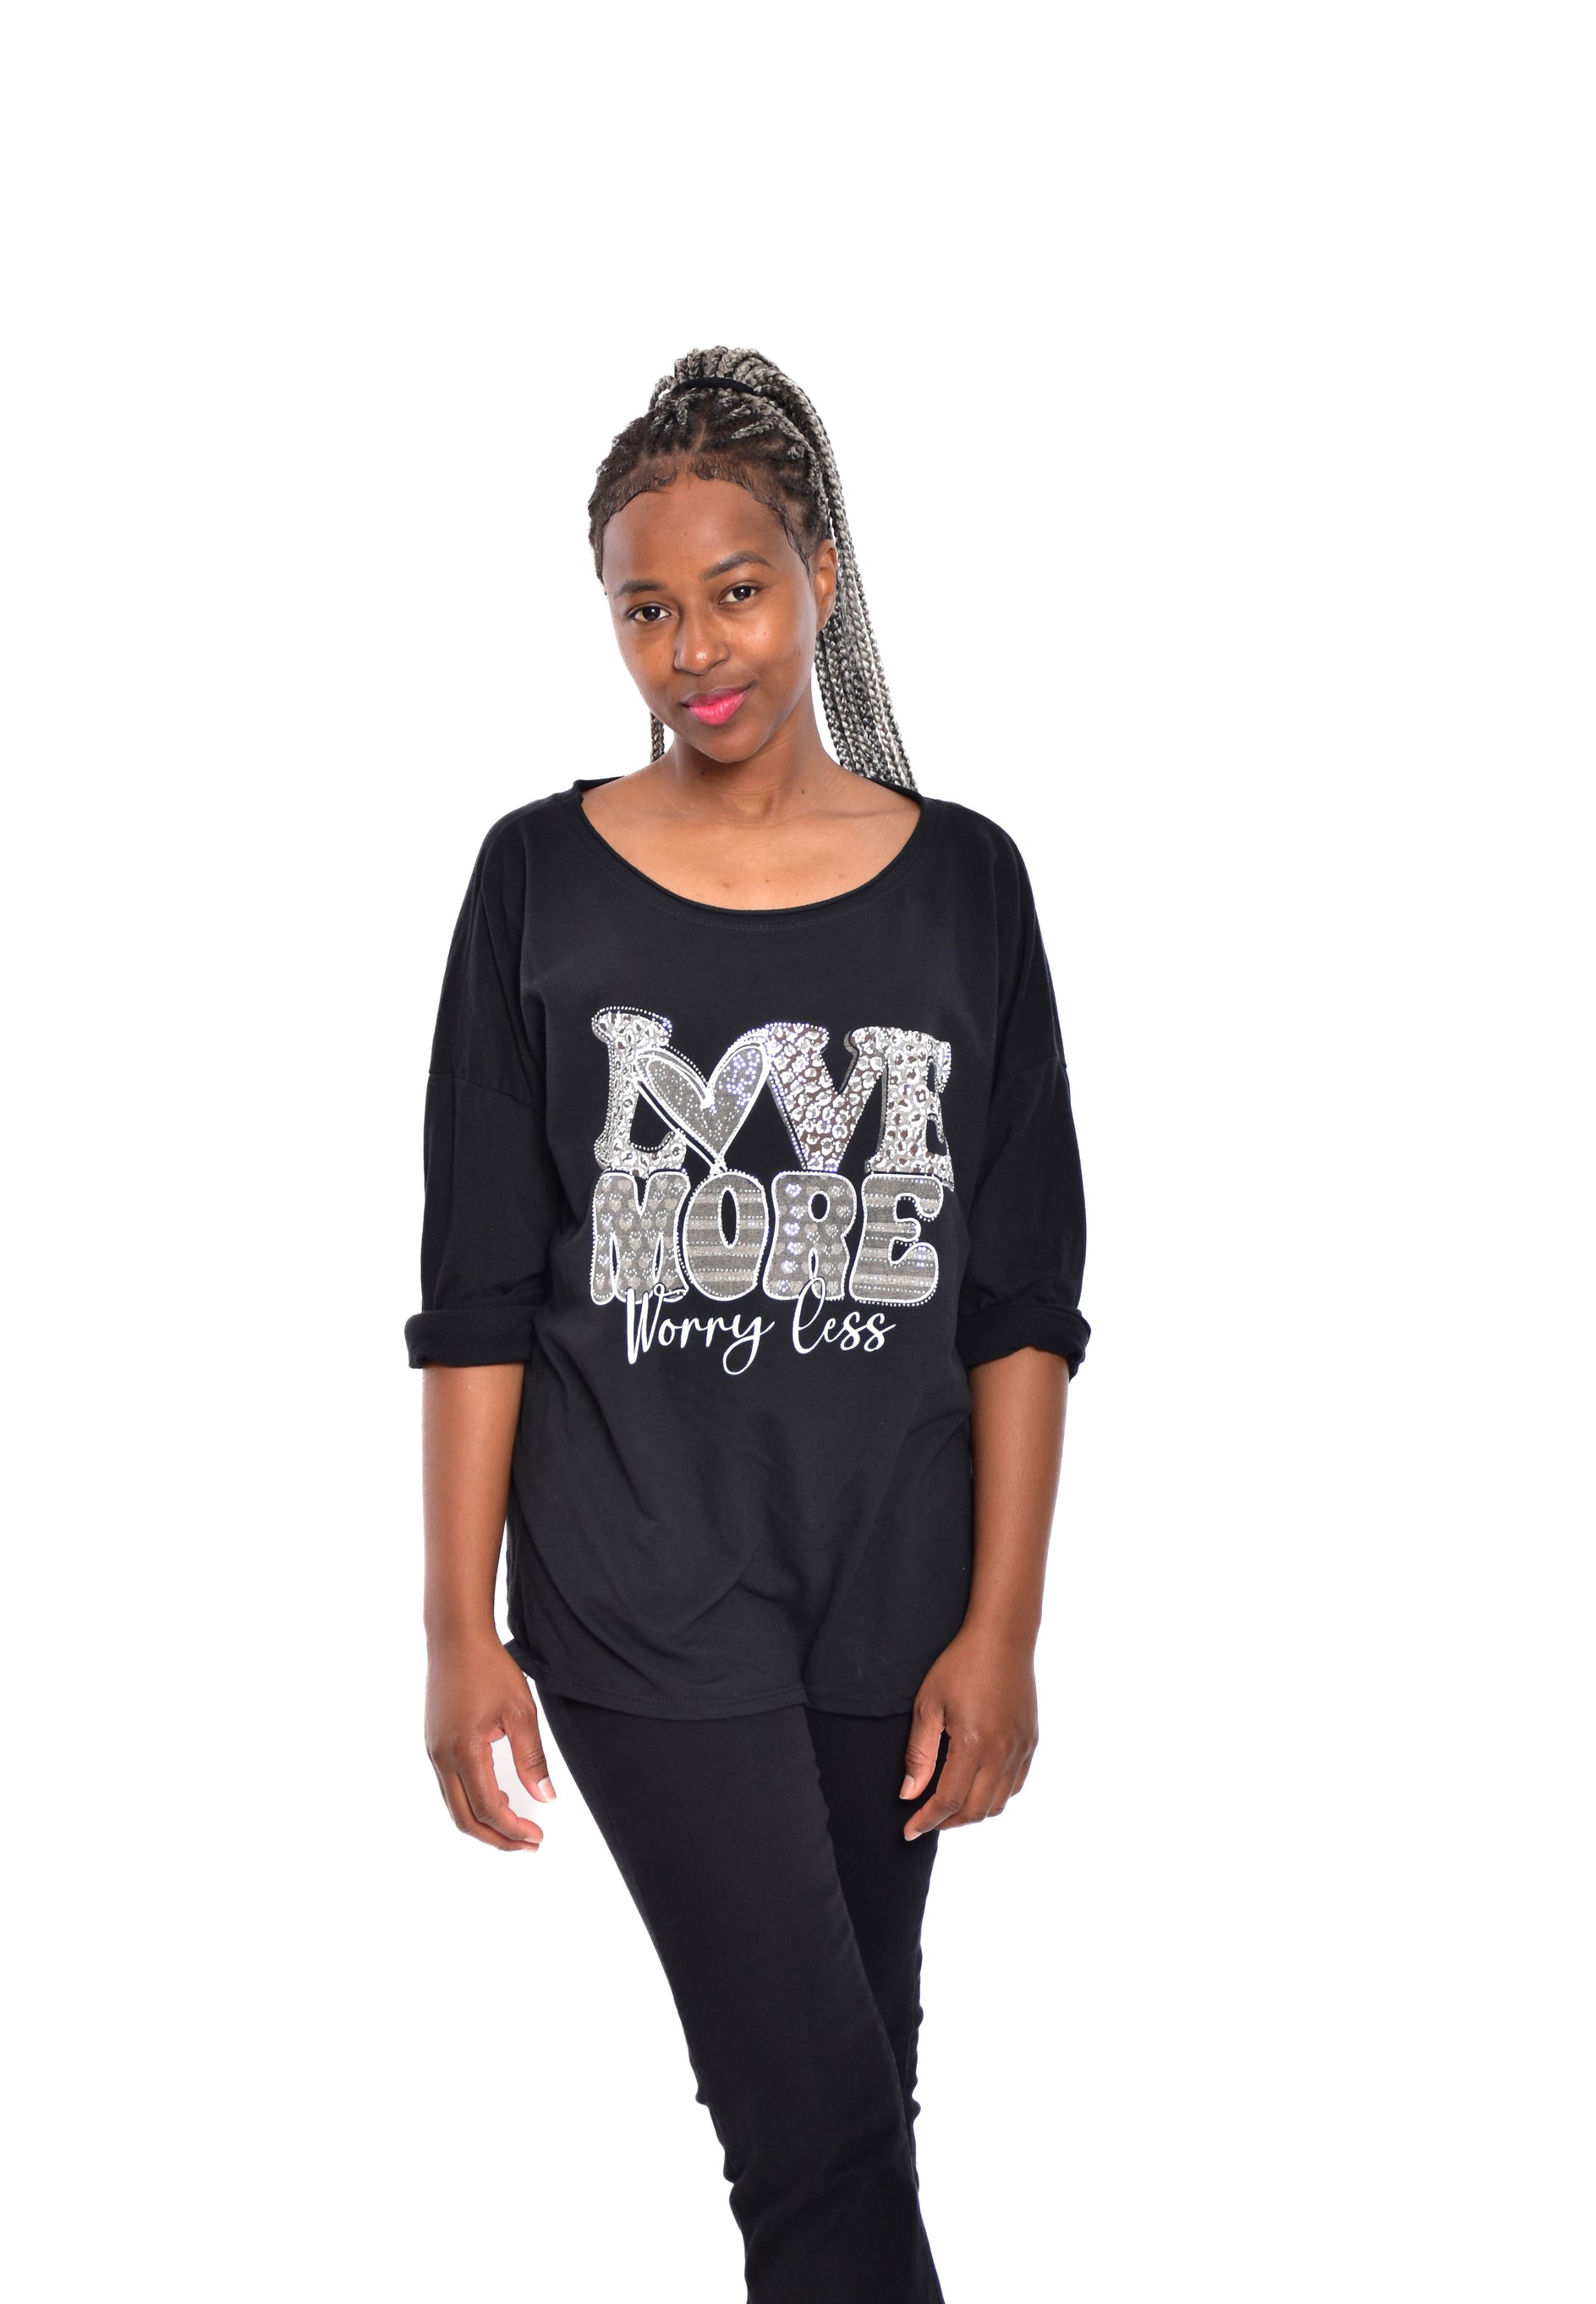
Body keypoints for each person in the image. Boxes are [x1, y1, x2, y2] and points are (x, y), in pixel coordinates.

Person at [408, 348, 1089, 2303]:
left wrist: (1003, 1625)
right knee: (818, 2134)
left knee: (857, 2096)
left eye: (733, 591)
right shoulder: (535, 880)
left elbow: (1020, 1294)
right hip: (637, 1583)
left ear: (821, 579)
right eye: (644, 608)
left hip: (899, 1585)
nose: (691, 650)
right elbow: (479, 1286)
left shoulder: (967, 885)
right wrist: (457, 1625)